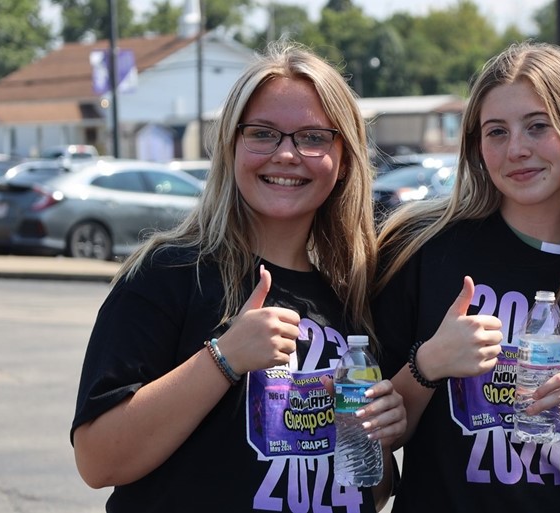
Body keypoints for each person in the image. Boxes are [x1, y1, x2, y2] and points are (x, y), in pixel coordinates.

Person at [70, 42, 405, 512]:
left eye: (312, 137)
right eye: (263, 134)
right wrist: (223, 359)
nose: (286, 154)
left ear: (343, 158)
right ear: (231, 146)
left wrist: (379, 439)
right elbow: (98, 460)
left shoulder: (352, 295)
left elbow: (372, 487)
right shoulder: (170, 273)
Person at [371, 42, 560, 512]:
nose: (517, 149)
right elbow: (378, 440)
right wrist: (427, 365)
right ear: (476, 147)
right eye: (496, 132)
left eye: (538, 126)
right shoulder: (423, 250)